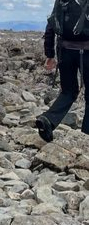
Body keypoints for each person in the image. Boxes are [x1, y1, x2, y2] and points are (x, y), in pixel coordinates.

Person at [36, 3, 89, 142]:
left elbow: (52, 24)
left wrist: (50, 54)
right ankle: (85, 137)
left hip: (64, 51)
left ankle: (48, 119)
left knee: (68, 91)